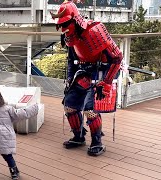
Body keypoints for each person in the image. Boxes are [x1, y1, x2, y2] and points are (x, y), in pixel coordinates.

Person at [50, 0, 123, 156]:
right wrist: (70, 78)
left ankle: (97, 141)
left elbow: (117, 58)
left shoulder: (95, 31)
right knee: (70, 105)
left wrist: (107, 81)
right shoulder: (70, 37)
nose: (64, 28)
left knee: (91, 109)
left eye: (66, 23)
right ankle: (78, 136)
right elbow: (72, 60)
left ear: (75, 20)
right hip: (83, 70)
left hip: (102, 70)